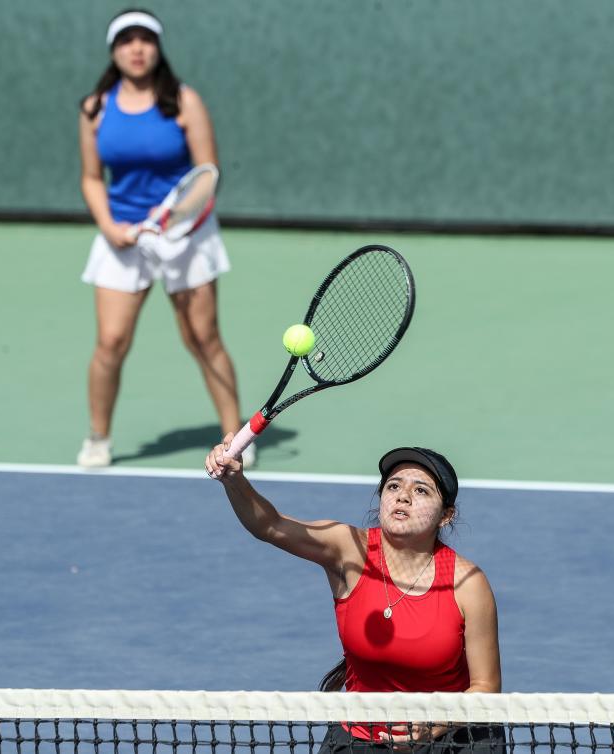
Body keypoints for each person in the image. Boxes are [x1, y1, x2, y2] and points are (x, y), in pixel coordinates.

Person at [205, 441, 503, 753]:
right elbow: (270, 526)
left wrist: (437, 722)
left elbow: (486, 688)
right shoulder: (349, 550)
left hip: (448, 741)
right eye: (393, 486)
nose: (403, 495)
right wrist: (234, 480)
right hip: (360, 738)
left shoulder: (468, 584)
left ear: (446, 516)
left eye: (421, 491)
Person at [76, 9, 253, 469]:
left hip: (185, 238)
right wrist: (111, 227)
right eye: (127, 41)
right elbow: (92, 178)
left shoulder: (184, 101)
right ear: (114, 51)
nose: (137, 49)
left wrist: (173, 222)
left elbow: (206, 175)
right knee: (111, 342)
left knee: (202, 337)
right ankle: (98, 437)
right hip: (123, 238)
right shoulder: (95, 108)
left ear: (157, 47)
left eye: (146, 40)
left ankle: (235, 438)